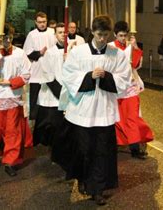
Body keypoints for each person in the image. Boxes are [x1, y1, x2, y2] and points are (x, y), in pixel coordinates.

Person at [52, 15, 131, 205]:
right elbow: (68, 74)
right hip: (83, 109)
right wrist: (88, 76)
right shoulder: (79, 52)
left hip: (104, 110)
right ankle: (82, 178)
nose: (102, 39)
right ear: (92, 32)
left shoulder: (117, 55)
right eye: (98, 34)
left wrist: (106, 77)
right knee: (82, 149)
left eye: (105, 35)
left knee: (101, 151)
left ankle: (97, 189)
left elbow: (125, 79)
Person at [0, 25, 32, 177]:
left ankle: (10, 161)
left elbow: (27, 73)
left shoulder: (20, 53)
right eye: (4, 38)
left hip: (12, 95)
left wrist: (11, 82)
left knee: (12, 130)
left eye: (10, 37)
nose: (7, 41)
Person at [110, 21, 154, 159]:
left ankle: (135, 148)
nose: (123, 38)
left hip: (129, 88)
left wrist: (135, 48)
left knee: (132, 118)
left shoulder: (130, 47)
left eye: (125, 35)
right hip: (116, 88)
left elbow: (135, 65)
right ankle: (115, 144)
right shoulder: (110, 47)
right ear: (115, 35)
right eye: (120, 35)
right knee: (115, 119)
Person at [33, 22, 69, 147]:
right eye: (60, 32)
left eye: (65, 32)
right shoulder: (50, 53)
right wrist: (61, 94)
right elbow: (48, 75)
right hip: (54, 92)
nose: (63, 35)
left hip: (70, 91)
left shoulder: (74, 51)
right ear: (55, 35)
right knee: (52, 123)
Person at [23, 11, 56, 119]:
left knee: (51, 95)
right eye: (40, 22)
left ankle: (49, 116)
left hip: (51, 70)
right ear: (35, 22)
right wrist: (39, 53)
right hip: (37, 71)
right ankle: (33, 118)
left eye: (44, 22)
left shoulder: (52, 32)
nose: (42, 24)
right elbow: (27, 53)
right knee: (34, 96)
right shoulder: (32, 35)